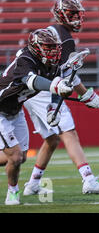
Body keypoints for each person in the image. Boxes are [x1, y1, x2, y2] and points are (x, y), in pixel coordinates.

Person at [20, 0, 99, 195]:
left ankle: (33, 184)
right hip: (43, 88)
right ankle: (88, 180)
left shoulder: (54, 32)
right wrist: (88, 95)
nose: (77, 19)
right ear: (61, 15)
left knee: (52, 138)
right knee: (69, 132)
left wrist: (87, 95)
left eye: (78, 15)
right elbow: (66, 74)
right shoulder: (64, 37)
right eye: (72, 15)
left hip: (31, 89)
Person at [0, 29, 73, 205]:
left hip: (15, 110)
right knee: (15, 157)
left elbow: (57, 87)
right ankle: (13, 193)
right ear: (36, 47)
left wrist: (53, 108)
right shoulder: (25, 59)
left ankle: (13, 189)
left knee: (20, 158)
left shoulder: (52, 64)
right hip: (0, 110)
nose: (53, 51)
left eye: (54, 47)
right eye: (48, 47)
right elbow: (31, 81)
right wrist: (56, 85)